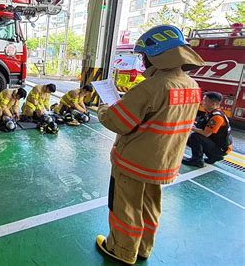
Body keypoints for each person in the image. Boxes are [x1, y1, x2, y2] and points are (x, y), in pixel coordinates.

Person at [95, 25, 205, 265]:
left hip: (134, 162)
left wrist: (105, 109)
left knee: (126, 208)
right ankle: (144, 248)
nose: (143, 61)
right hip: (163, 163)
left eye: (144, 55)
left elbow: (119, 122)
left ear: (155, 55)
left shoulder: (152, 86)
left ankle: (121, 251)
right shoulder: (191, 86)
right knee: (150, 207)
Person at [182, 92, 233, 167]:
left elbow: (206, 134)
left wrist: (190, 127)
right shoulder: (212, 113)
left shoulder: (217, 117)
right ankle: (214, 157)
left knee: (195, 137)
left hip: (221, 148)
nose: (202, 102)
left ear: (213, 104)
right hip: (219, 145)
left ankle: (197, 160)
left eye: (205, 101)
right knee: (191, 139)